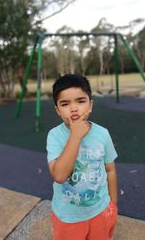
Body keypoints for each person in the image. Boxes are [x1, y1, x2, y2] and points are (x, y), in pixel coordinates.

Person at [46, 74, 118, 240]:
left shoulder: (102, 133)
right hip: (68, 217)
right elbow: (59, 175)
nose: (74, 108)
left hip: (100, 211)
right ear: (57, 110)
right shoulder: (55, 136)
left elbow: (110, 169)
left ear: (90, 104)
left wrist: (113, 204)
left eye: (81, 101)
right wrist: (76, 135)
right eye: (65, 104)